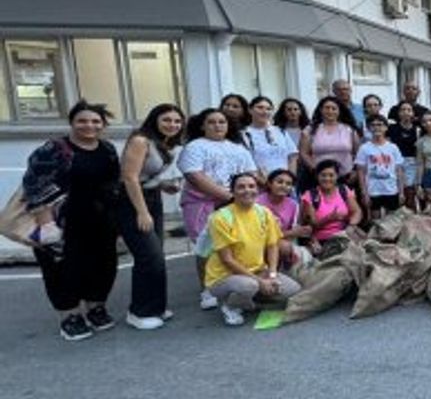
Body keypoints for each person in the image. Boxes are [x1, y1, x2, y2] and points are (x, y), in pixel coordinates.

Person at [22, 101, 122, 341]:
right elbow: (34, 185)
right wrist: (46, 224)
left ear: (103, 125)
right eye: (83, 121)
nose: (89, 126)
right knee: (62, 269)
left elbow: (114, 183)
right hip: (62, 222)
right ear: (72, 123)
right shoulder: (54, 149)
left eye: (96, 121)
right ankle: (70, 316)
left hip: (100, 220)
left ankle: (96, 307)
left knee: (103, 265)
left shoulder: (107, 149)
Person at [178, 108, 256, 312]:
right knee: (206, 247)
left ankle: (234, 284)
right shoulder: (195, 147)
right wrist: (229, 196)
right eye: (211, 122)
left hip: (237, 203)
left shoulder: (238, 148)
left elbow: (250, 173)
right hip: (202, 203)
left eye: (222, 122)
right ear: (202, 125)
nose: (217, 125)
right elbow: (195, 176)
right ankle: (207, 288)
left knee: (234, 245)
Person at [118, 103, 184, 330]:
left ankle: (156, 307)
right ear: (154, 119)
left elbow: (146, 177)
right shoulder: (140, 140)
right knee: (149, 256)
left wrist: (164, 186)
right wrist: (142, 211)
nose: (172, 125)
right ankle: (139, 312)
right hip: (132, 203)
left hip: (152, 198)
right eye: (167, 120)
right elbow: (129, 178)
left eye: (177, 121)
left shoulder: (161, 143)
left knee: (157, 256)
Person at [205, 173, 301, 326]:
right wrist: (260, 282)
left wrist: (272, 274)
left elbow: (272, 245)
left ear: (258, 189)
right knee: (250, 285)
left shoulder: (263, 213)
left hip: (256, 270)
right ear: (233, 191)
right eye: (241, 187)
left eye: (251, 186)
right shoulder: (220, 217)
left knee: (292, 290)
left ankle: (248, 300)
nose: (247, 190)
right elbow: (227, 259)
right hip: (223, 277)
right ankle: (230, 305)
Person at [301, 160, 362, 258]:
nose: (327, 179)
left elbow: (357, 211)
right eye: (323, 175)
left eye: (331, 175)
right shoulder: (310, 195)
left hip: (344, 235)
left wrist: (351, 225)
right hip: (321, 240)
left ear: (337, 176)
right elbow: (311, 225)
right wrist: (329, 218)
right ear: (317, 176)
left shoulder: (344, 190)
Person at [298, 96, 362, 190]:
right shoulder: (310, 130)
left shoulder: (349, 130)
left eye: (334, 108)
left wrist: (355, 171)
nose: (330, 111)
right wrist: (315, 170)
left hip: (346, 178)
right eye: (327, 108)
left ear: (339, 111)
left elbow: (358, 154)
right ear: (321, 110)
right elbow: (304, 153)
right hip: (318, 178)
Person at [257, 169, 310, 272]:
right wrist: (291, 233)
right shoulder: (258, 202)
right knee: (284, 246)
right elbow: (259, 235)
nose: (284, 186)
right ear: (269, 184)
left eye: (288, 184)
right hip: (259, 242)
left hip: (282, 240)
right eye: (279, 182)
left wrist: (302, 232)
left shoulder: (293, 205)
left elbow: (294, 231)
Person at [355, 114, 405, 219]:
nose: (377, 127)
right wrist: (364, 193)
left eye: (380, 124)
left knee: (392, 221)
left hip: (391, 189)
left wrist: (401, 192)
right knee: (375, 221)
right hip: (373, 191)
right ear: (368, 128)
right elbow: (361, 172)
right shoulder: (364, 148)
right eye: (373, 125)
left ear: (386, 127)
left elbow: (399, 170)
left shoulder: (393, 147)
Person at [243, 96, 298, 179]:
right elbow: (246, 163)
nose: (264, 112)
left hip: (285, 184)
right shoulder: (244, 134)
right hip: (260, 183)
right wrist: (264, 182)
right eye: (260, 107)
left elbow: (292, 157)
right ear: (250, 110)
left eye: (268, 109)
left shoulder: (280, 131)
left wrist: (290, 178)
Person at [387, 101, 422, 210]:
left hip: (412, 163)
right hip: (395, 163)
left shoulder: (418, 130)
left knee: (409, 193)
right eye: (403, 110)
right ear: (398, 113)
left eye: (409, 110)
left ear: (413, 113)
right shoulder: (391, 129)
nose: (406, 112)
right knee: (396, 192)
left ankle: (411, 220)